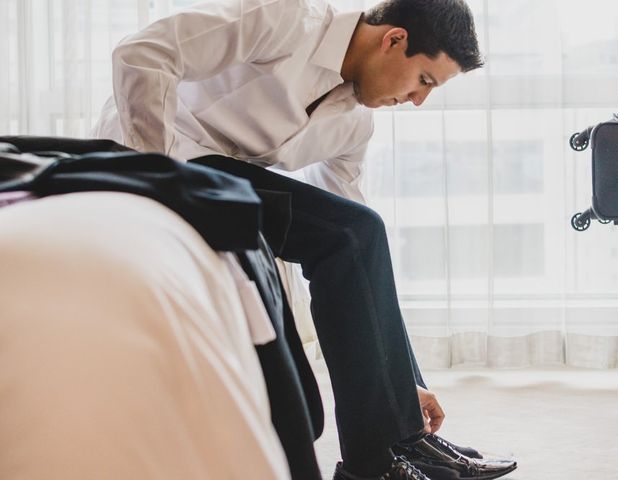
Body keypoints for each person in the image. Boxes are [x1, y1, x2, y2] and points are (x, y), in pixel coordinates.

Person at [93, 0, 516, 479]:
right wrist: (155, 177)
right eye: (423, 80)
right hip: (171, 162)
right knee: (357, 233)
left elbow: (358, 257)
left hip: (227, 190)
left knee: (359, 232)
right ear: (394, 40)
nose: (419, 101)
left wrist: (401, 384)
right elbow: (141, 52)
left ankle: (403, 443)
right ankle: (374, 466)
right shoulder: (287, 19)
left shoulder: (354, 122)